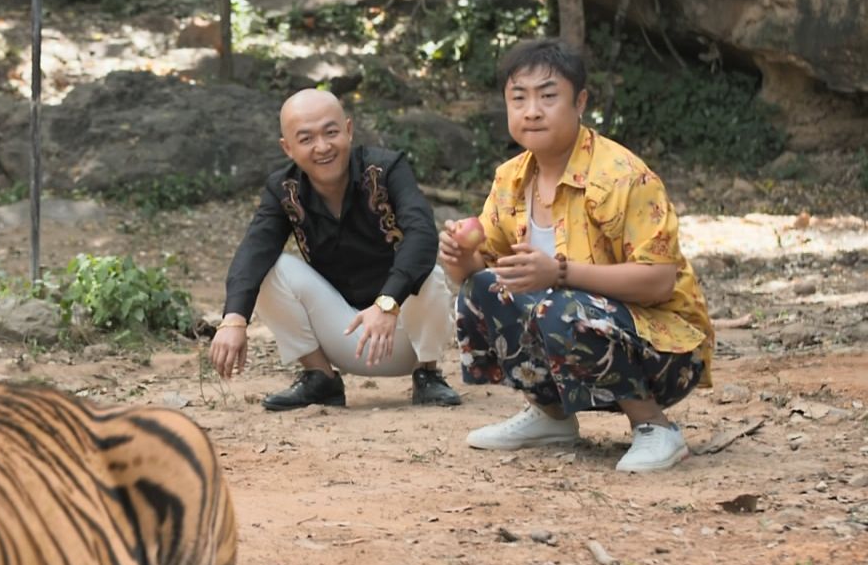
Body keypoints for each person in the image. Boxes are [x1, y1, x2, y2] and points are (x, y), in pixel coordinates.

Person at [437, 38, 713, 473]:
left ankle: (655, 427)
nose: (532, 110)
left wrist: (560, 272)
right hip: (584, 328)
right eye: (519, 98)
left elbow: (659, 280)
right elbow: (485, 274)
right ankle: (550, 416)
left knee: (561, 306)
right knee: (482, 288)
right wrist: (458, 256)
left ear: (580, 101)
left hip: (667, 350)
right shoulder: (510, 179)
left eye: (548, 96)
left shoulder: (622, 176)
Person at [210, 88, 462, 411]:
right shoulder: (283, 189)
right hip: (342, 334)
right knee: (271, 268)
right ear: (288, 148)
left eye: (331, 132)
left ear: (349, 129)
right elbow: (253, 250)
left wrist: (388, 303)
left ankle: (428, 375)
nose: (323, 147)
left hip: (404, 336)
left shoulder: (386, 169)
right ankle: (320, 377)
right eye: (306, 139)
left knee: (429, 274)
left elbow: (423, 234)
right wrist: (233, 319)